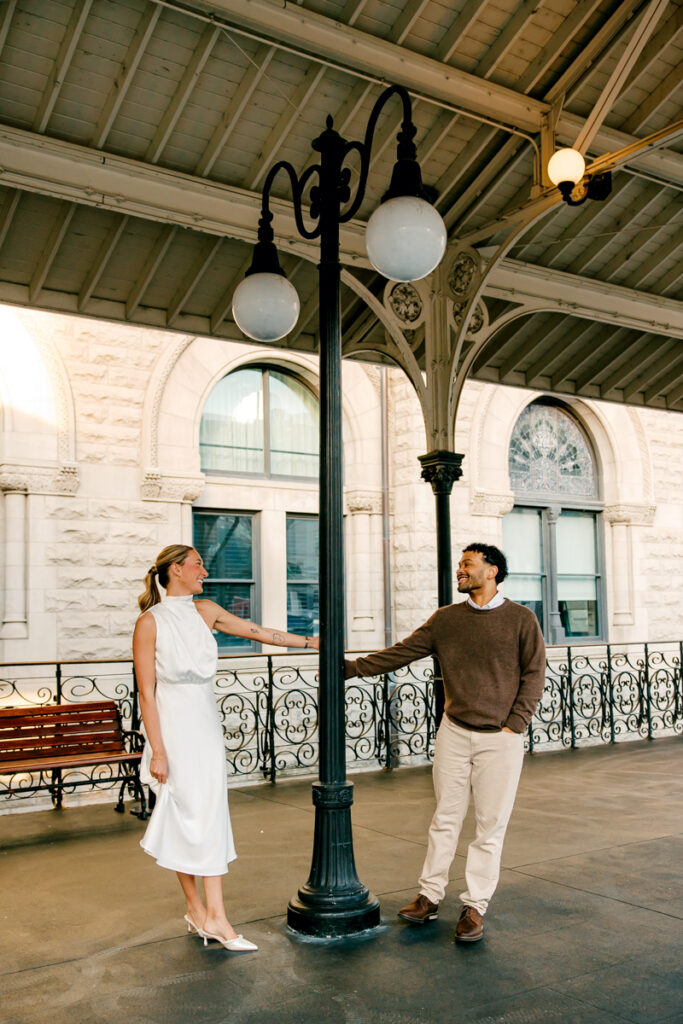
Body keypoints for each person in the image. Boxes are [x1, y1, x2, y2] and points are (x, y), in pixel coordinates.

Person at [345, 543, 545, 943]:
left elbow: (534, 672)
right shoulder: (446, 620)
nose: (460, 570)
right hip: (454, 731)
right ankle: (430, 895)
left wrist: (515, 724)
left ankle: (475, 906)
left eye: (468, 564)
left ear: (492, 571)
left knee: (489, 826)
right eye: (460, 565)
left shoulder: (522, 619)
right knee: (445, 818)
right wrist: (352, 668)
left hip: (500, 738)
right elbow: (402, 652)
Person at [133, 543, 319, 952]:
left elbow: (258, 632)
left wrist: (310, 642)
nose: (205, 571)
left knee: (208, 814)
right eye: (198, 564)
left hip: (204, 726)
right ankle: (206, 913)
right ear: (176, 569)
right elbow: (146, 692)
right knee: (183, 815)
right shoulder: (149, 622)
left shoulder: (207, 610)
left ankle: (205, 913)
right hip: (173, 732)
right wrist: (158, 751)